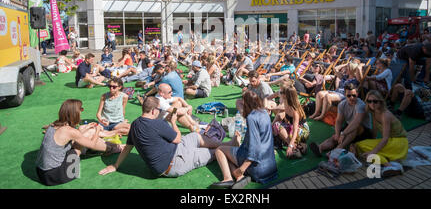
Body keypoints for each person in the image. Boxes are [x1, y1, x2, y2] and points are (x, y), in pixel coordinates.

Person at [98, 96, 235, 178]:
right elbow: (177, 138)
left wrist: (116, 165)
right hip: (174, 164)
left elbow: (127, 148)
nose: (160, 112)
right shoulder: (157, 123)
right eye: (159, 110)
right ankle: (230, 146)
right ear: (153, 110)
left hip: (173, 151)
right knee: (213, 152)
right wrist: (173, 122)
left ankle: (225, 143)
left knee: (195, 136)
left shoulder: (135, 124)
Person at [36, 99, 123, 186]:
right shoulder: (69, 131)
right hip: (55, 176)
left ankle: (114, 147)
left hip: (41, 172)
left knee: (85, 134)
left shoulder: (54, 124)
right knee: (81, 144)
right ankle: (114, 149)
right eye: (80, 109)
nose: (82, 110)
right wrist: (98, 129)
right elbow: (92, 144)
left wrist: (86, 128)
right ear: (75, 113)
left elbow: (71, 138)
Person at [210, 90, 278, 189]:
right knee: (230, 153)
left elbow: (255, 147)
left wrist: (242, 169)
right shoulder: (265, 112)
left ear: (246, 103)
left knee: (220, 150)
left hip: (258, 168)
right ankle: (239, 177)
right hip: (271, 168)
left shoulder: (251, 117)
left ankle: (228, 178)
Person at [352, 90, 408, 177]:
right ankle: (390, 162)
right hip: (391, 141)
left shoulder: (385, 115)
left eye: (375, 101)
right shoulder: (374, 113)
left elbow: (385, 138)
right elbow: (374, 132)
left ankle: (390, 166)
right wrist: (371, 146)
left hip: (399, 142)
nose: (372, 104)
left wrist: (373, 151)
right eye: (369, 101)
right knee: (361, 146)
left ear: (381, 102)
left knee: (363, 147)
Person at [309, 83, 372, 157]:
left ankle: (338, 148)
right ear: (345, 95)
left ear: (357, 94)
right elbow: (339, 121)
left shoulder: (360, 105)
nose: (351, 98)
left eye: (354, 95)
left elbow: (356, 123)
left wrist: (343, 134)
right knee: (335, 137)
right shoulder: (342, 104)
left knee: (354, 129)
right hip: (350, 128)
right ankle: (320, 147)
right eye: (349, 95)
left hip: (364, 132)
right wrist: (338, 134)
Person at [272, 84, 309, 158]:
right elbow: (280, 114)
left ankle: (293, 147)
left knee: (280, 129)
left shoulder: (295, 111)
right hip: (292, 126)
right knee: (276, 125)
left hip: (302, 130)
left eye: (282, 92)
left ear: (286, 95)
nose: (280, 93)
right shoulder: (285, 102)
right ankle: (298, 147)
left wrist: (290, 145)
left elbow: (295, 130)